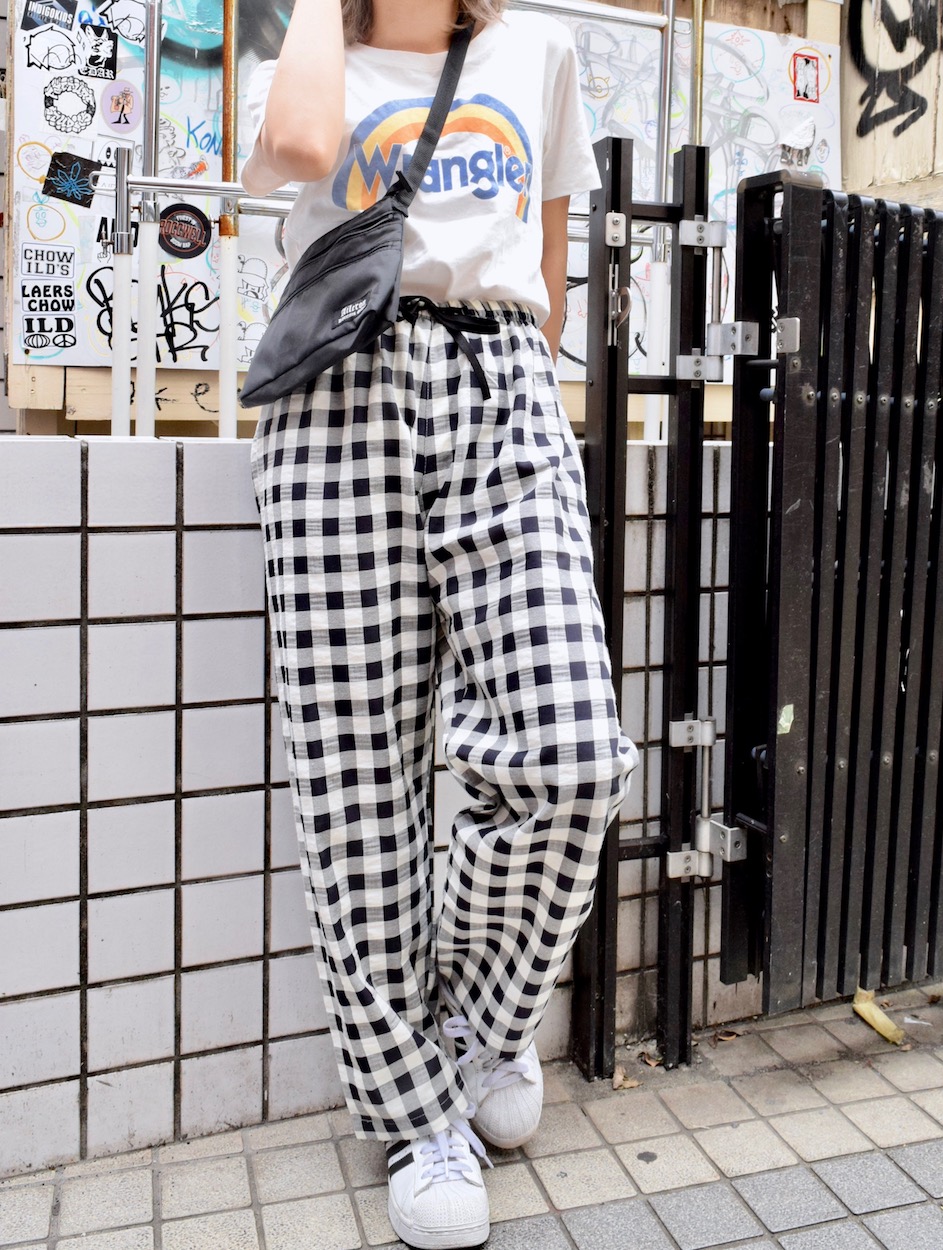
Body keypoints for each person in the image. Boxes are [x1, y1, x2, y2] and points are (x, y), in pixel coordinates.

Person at [242, 2, 637, 1246]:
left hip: (502, 388)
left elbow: (551, 265)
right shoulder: (300, 46)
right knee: (356, 790)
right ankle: (419, 1115)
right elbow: (301, 148)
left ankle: (482, 1018)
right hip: (338, 399)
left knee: (573, 752)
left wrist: (517, 389)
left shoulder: (537, 53)